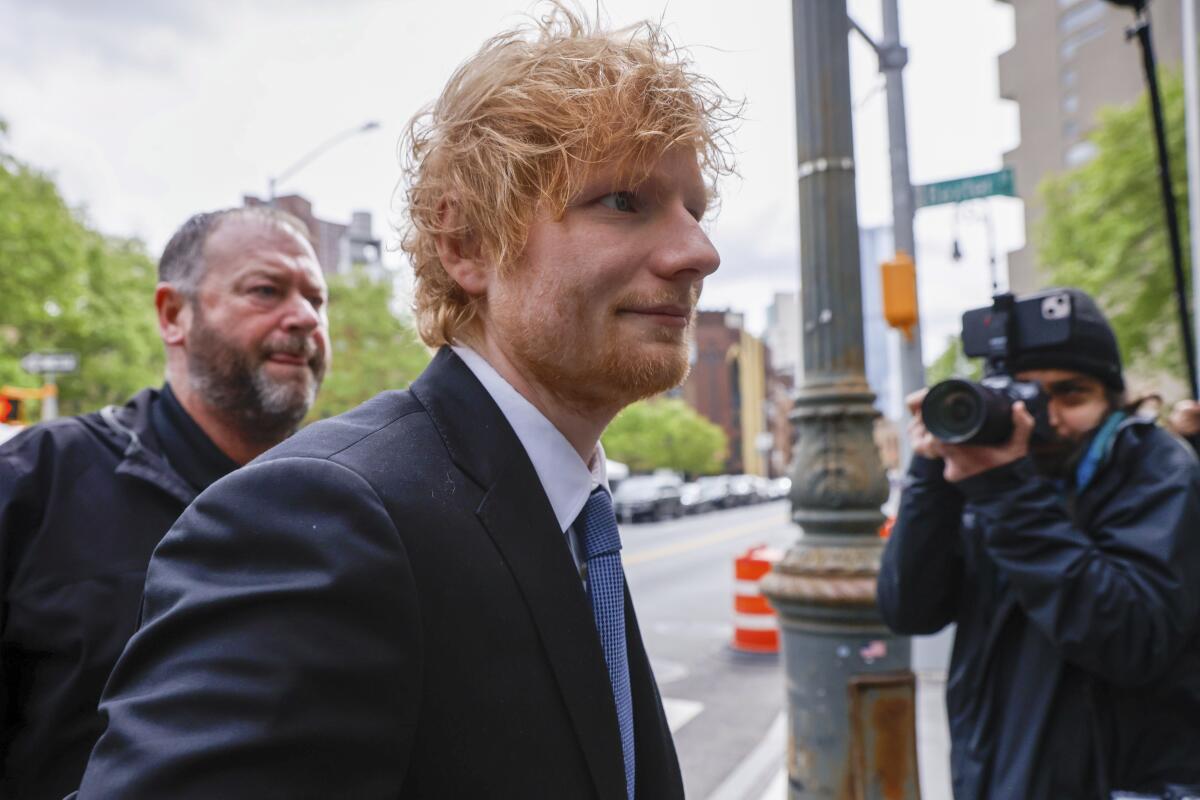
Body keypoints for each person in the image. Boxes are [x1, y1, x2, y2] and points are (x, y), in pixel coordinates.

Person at [74, 6, 735, 799]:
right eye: (625, 200)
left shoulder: (569, 511)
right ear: (468, 246)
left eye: (694, 208)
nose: (698, 252)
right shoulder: (318, 517)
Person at [0, 206, 329, 799]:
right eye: (266, 290)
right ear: (174, 314)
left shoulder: (343, 506)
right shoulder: (32, 484)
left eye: (317, 299)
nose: (305, 317)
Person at [878, 288, 1200, 799]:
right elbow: (909, 610)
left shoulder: (1154, 467)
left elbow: (1133, 639)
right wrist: (932, 475)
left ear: (1113, 399)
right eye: (1025, 395)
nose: (1047, 418)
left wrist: (1007, 493)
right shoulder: (980, 472)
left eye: (1072, 395)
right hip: (992, 776)